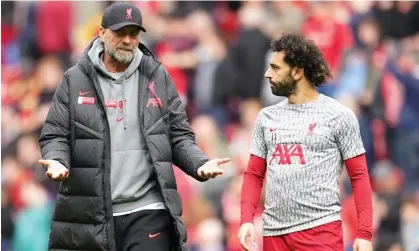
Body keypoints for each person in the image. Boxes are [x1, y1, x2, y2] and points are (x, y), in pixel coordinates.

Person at [38, 2, 229, 251]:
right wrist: (56, 159)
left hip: (148, 210)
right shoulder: (75, 79)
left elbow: (178, 136)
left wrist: (199, 163)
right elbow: (55, 134)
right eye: (120, 33)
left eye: (134, 33)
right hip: (93, 213)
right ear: (102, 32)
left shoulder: (157, 77)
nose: (128, 40)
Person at [237, 34, 373, 251]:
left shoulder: (339, 116)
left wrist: (364, 233)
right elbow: (254, 174)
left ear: (298, 71)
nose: (267, 73)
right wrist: (246, 219)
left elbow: (359, 177)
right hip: (274, 235)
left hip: (320, 233)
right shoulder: (265, 117)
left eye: (275, 67)